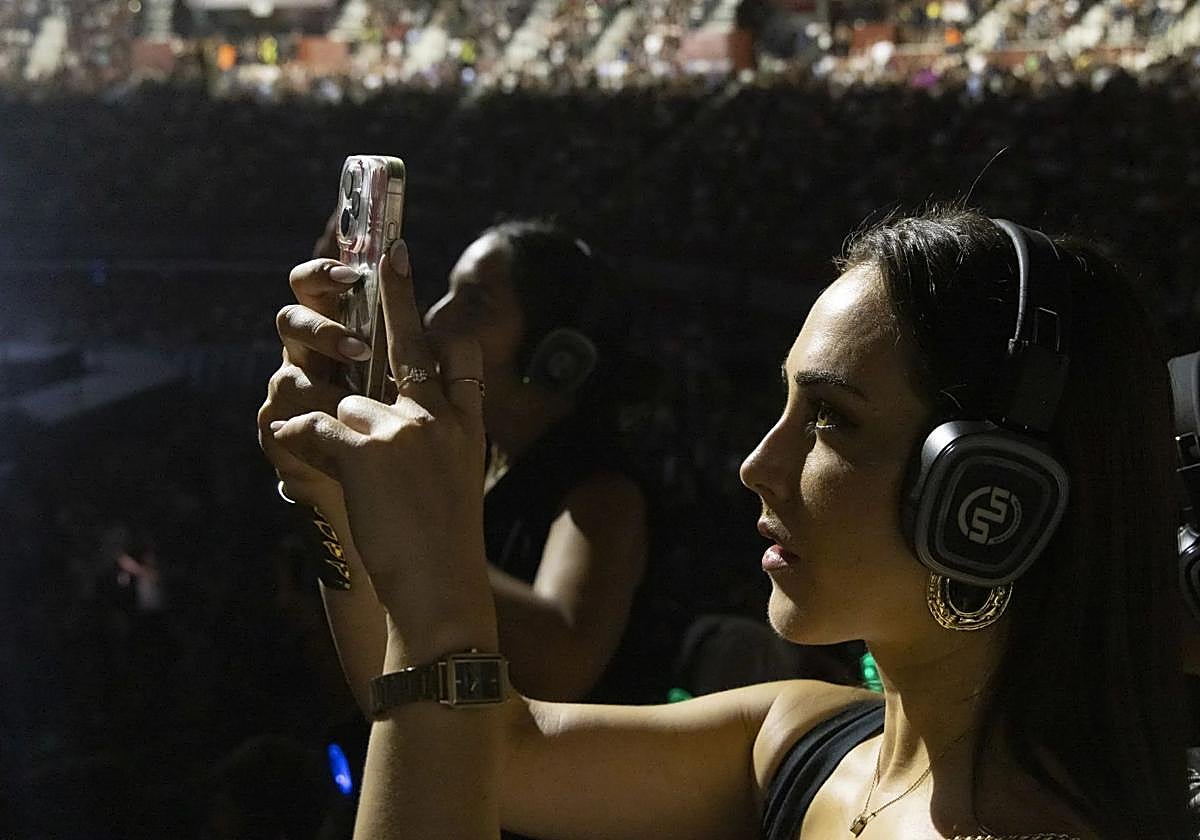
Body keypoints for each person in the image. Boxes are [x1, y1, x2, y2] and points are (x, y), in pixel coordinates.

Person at [269, 205, 1189, 839]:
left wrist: (439, 596)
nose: (758, 464)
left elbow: (457, 716)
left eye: (830, 419)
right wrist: (336, 505)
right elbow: (485, 745)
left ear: (992, 499)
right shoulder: (804, 736)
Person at [260, 219, 651, 707]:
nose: (436, 319)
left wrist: (396, 510)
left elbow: (561, 662)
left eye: (475, 302)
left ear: (557, 357)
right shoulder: (472, 454)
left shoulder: (603, 494)